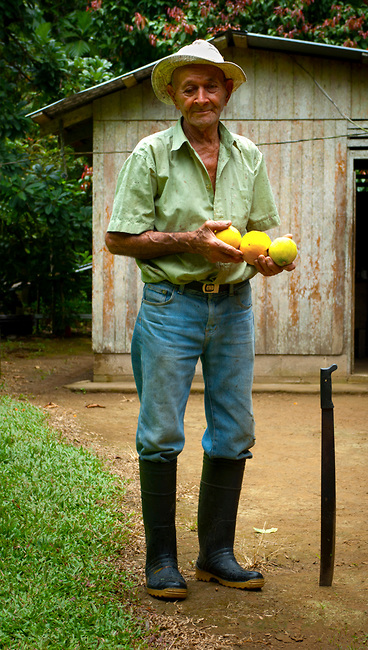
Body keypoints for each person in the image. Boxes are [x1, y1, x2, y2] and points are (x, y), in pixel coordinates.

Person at [105, 39, 296, 601]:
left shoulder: (248, 156)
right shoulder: (151, 154)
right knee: (161, 433)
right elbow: (118, 239)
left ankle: (215, 554)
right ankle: (162, 560)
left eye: (211, 86)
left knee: (234, 430)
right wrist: (190, 241)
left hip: (233, 307)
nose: (201, 97)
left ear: (227, 92)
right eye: (189, 88)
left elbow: (261, 233)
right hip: (171, 306)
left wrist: (266, 260)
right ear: (174, 96)